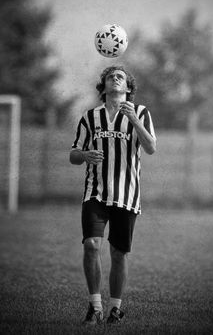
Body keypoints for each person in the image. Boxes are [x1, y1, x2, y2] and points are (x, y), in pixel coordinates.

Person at [70, 65, 156, 325]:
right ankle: (94, 306)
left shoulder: (141, 112)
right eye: (110, 77)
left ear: (128, 88)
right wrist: (85, 155)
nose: (115, 79)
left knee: (119, 253)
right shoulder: (89, 117)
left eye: (120, 77)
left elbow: (151, 147)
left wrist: (134, 120)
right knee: (91, 245)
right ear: (104, 87)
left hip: (126, 194)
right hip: (95, 192)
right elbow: (73, 154)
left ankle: (115, 309)